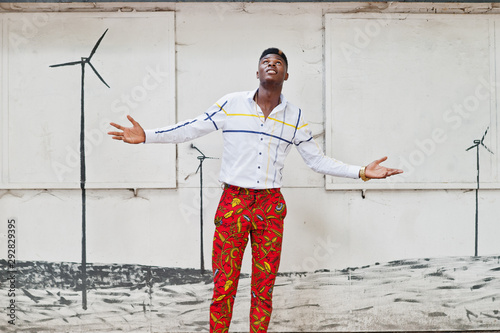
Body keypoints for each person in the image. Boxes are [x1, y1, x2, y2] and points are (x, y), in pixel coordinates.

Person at [108, 48, 403, 333]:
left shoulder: (295, 117)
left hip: (270, 206)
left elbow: (317, 160)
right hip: (234, 202)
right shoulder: (231, 104)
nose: (272, 64)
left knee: (264, 288)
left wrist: (362, 171)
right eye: (266, 61)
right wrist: (148, 136)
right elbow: (191, 128)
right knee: (224, 286)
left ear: (286, 75)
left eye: (278, 62)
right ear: (257, 71)